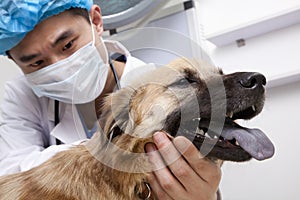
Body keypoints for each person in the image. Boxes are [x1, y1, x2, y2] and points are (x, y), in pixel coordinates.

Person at [0, 0, 221, 199]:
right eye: (37, 63)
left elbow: (194, 171)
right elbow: (12, 176)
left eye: (67, 45)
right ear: (16, 62)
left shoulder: (164, 92)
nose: (58, 68)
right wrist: (112, 149)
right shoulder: (21, 96)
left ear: (96, 21)